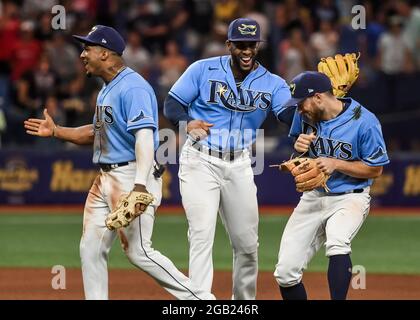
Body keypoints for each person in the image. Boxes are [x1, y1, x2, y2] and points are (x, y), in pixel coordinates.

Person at [24, 25, 214, 300]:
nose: (83, 55)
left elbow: (145, 138)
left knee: (139, 251)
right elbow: (96, 132)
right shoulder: (107, 89)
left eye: (87, 48)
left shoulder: (134, 87)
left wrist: (139, 185)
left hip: (131, 175)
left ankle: (203, 301)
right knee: (90, 248)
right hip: (107, 178)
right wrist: (56, 131)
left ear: (105, 54)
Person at [163, 18, 292, 299]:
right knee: (201, 235)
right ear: (229, 45)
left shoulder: (273, 83)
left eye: (252, 45)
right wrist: (186, 123)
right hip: (200, 160)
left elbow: (287, 115)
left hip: (240, 164)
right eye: (241, 45)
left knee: (247, 245)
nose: (247, 51)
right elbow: (173, 103)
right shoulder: (202, 69)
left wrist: (314, 109)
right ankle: (199, 301)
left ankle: (243, 304)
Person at [273, 71, 389, 300]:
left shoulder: (365, 121)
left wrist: (337, 163)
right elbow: (298, 153)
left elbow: (376, 169)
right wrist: (298, 148)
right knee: (285, 273)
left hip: (350, 197)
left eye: (300, 103)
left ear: (317, 97)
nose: (298, 110)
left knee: (337, 242)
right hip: (313, 197)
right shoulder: (304, 117)